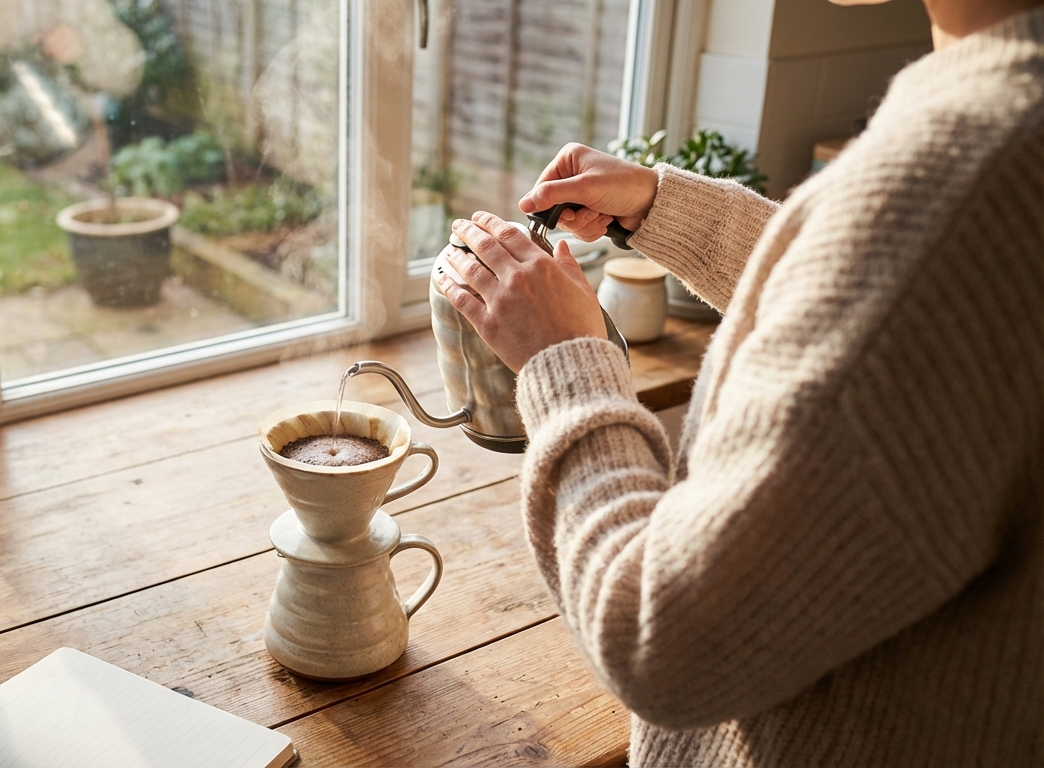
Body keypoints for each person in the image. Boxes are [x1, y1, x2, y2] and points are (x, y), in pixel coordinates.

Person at [434, 0, 1044, 764]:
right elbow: (897, 321)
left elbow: (662, 641)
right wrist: (669, 209)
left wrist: (564, 360)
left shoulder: (967, 176)